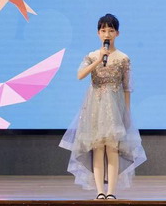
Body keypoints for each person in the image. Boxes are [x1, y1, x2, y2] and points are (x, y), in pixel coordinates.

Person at [60, 13, 146, 200]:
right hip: (95, 108)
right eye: (103, 30)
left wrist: (126, 113)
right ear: (98, 33)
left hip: (115, 109)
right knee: (97, 148)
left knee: (112, 148)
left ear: (117, 33)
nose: (107, 34)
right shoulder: (92, 56)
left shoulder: (123, 58)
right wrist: (99, 60)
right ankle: (100, 192)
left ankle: (111, 192)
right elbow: (80, 75)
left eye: (111, 30)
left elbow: (127, 88)